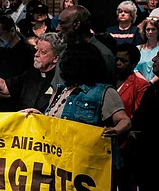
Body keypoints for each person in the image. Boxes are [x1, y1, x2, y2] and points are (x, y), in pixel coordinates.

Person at [21, 42, 132, 191]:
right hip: (60, 167)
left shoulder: (103, 92)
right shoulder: (61, 91)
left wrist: (116, 130)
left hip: (89, 170)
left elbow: (124, 120)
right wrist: (39, 117)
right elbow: (56, 122)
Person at [0, 32, 66, 113]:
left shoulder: (61, 80)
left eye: (43, 52)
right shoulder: (31, 74)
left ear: (55, 58)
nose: (36, 55)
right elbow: (4, 86)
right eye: (37, 50)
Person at [51, 5, 116, 92]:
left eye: (62, 23)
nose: (57, 28)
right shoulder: (64, 53)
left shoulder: (103, 54)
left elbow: (105, 92)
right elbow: (57, 90)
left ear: (77, 24)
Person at [115, 43, 149, 191]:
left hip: (126, 143)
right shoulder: (108, 80)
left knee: (126, 184)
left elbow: (138, 114)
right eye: (117, 59)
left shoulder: (141, 85)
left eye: (124, 61)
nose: (118, 63)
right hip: (105, 139)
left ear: (134, 64)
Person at [0, 15, 35, 111]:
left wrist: (10, 92)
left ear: (12, 31)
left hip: (15, 103)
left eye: (0, 34)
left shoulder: (27, 52)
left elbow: (29, 79)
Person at [131, 50, 159, 191]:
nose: (154, 59)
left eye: (158, 56)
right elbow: (138, 119)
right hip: (146, 157)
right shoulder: (152, 90)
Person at [134, 16, 159, 83]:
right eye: (148, 29)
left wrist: (152, 82)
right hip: (140, 85)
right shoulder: (138, 49)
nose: (150, 32)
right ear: (144, 31)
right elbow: (134, 69)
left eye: (153, 29)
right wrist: (144, 83)